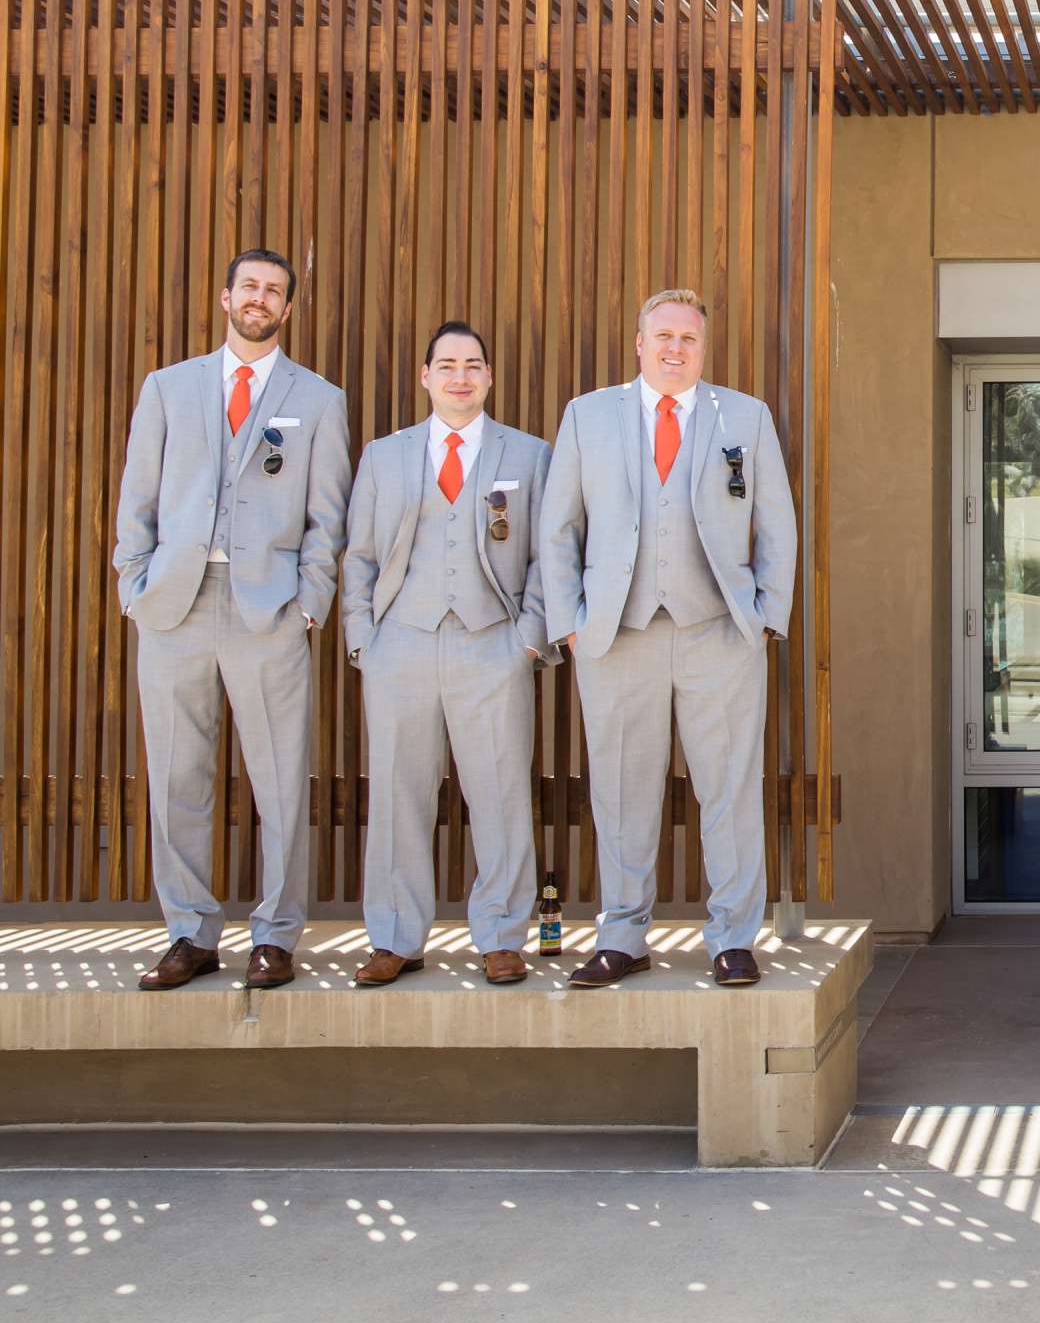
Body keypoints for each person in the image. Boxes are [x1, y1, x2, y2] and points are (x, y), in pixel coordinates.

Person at [537, 289, 797, 989]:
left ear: (703, 349)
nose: (675, 348)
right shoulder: (588, 416)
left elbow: (774, 520)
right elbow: (557, 525)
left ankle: (733, 938)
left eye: (689, 338)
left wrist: (768, 614)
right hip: (616, 635)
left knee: (730, 789)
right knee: (621, 789)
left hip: (719, 632)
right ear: (639, 343)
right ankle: (623, 935)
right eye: (663, 336)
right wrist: (569, 616)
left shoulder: (743, 416)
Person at [113, 249, 351, 991]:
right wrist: (135, 585)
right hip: (175, 606)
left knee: (281, 778)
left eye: (274, 290)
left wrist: (309, 605)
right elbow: (138, 498)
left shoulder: (318, 398)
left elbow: (328, 517)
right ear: (225, 298)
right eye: (249, 286)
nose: (260, 298)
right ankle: (190, 932)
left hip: (269, 609)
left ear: (287, 308)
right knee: (178, 775)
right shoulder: (168, 388)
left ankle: (276, 937)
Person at [342, 321, 554, 988]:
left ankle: (500, 935)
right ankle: (397, 937)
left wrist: (529, 638)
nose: (460, 376)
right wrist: (362, 640)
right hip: (400, 641)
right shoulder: (385, 456)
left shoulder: (529, 456)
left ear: (489, 377)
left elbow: (554, 555)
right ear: (425, 377)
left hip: (493, 640)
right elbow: (360, 557)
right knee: (399, 795)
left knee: (500, 793)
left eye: (472, 365)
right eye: (447, 365)